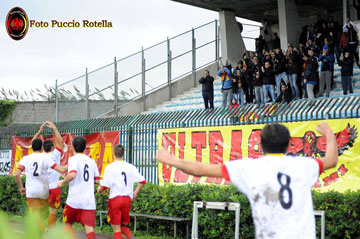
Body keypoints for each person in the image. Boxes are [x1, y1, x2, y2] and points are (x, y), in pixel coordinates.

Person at [156, 122, 338, 239]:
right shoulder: (304, 166)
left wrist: (171, 160)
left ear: (260, 144)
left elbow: (200, 169)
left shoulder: (249, 168)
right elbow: (331, 160)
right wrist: (329, 134)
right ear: (289, 144)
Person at [15, 136, 67, 231]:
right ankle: (48, 231)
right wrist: (71, 165)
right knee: (47, 212)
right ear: (42, 147)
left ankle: (42, 229)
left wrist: (21, 188)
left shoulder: (26, 158)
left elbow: (17, 173)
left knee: (35, 215)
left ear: (32, 147)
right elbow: (62, 169)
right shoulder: (45, 158)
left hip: (31, 192)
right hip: (44, 192)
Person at [98, 144, 146, 239]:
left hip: (115, 199)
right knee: (123, 226)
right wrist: (135, 193)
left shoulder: (110, 167)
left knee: (116, 229)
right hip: (127, 200)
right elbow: (142, 181)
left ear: (113, 153)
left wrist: (99, 189)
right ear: (123, 153)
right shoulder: (130, 167)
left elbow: (104, 186)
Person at [57, 136, 100, 239]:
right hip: (89, 202)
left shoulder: (73, 159)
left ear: (73, 147)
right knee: (89, 230)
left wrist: (62, 182)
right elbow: (97, 181)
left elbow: (72, 174)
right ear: (85, 147)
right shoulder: (92, 162)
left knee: (67, 225)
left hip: (74, 200)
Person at [32, 121, 64, 227]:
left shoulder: (39, 156)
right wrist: (54, 128)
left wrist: (40, 131)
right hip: (53, 188)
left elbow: (33, 142)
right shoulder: (55, 154)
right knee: (53, 212)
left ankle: (40, 231)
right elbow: (60, 141)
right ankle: (51, 233)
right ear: (52, 148)